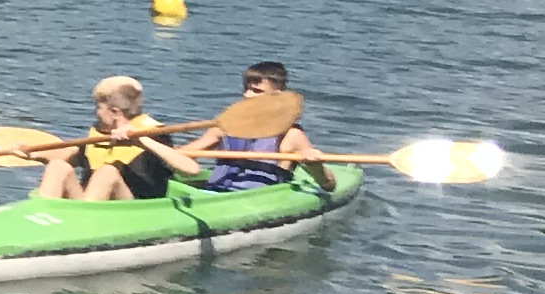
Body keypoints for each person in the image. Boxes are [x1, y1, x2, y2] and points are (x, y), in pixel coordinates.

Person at [30, 75, 202, 202]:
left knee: (107, 172)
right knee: (58, 166)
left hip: (132, 206)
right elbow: (72, 156)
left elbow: (192, 169)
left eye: (98, 107)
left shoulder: (154, 134)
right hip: (90, 200)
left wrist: (141, 140)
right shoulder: (101, 132)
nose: (95, 113)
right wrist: (31, 154)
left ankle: (84, 220)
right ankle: (43, 215)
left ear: (115, 112)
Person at [196, 60, 329, 192]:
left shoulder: (291, 135)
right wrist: (181, 158)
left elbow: (328, 185)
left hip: (259, 197)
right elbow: (187, 152)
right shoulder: (224, 128)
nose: (247, 95)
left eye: (257, 91)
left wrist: (315, 166)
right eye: (246, 89)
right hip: (215, 192)